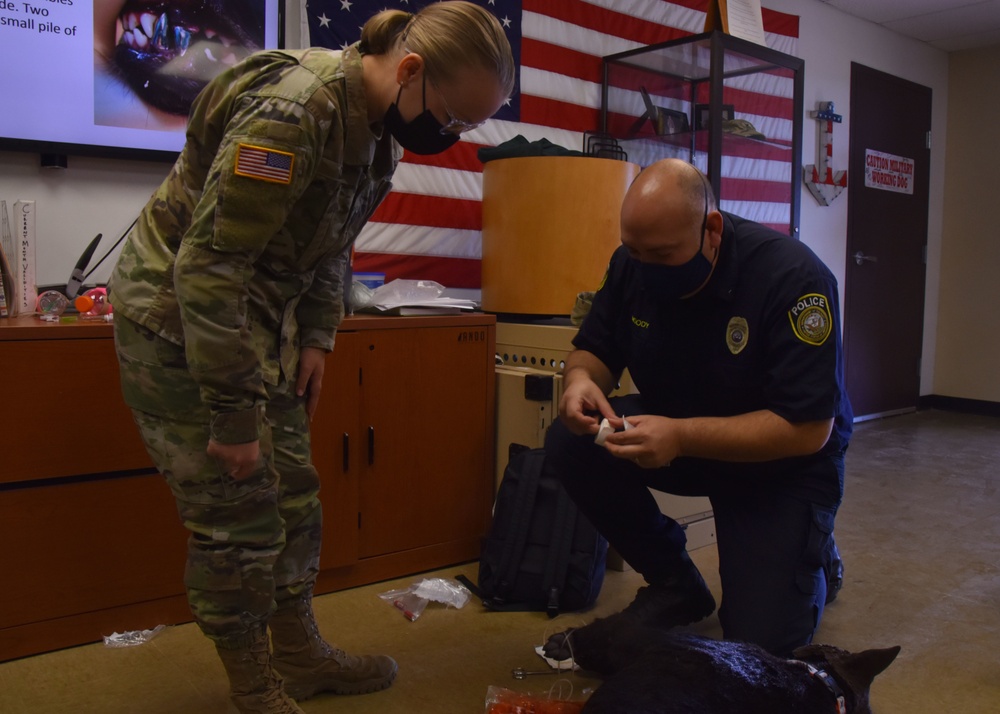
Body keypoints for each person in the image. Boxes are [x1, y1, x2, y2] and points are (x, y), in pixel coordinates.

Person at [108, 4, 514, 713]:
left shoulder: (380, 128)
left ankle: (299, 657)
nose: (447, 139)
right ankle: (253, 686)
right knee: (238, 514)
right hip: (179, 323)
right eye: (451, 121)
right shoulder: (294, 113)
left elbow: (331, 244)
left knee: (295, 497)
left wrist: (321, 337)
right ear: (412, 70)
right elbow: (208, 268)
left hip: (259, 322)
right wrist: (232, 417)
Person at [542, 158, 852, 660]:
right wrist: (579, 380)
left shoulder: (794, 277)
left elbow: (807, 428)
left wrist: (682, 437)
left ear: (711, 229)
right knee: (571, 439)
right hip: (682, 431)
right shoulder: (633, 264)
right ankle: (674, 583)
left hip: (781, 464)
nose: (644, 266)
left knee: (758, 650)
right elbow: (594, 349)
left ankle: (814, 554)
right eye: (633, 250)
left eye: (661, 254)